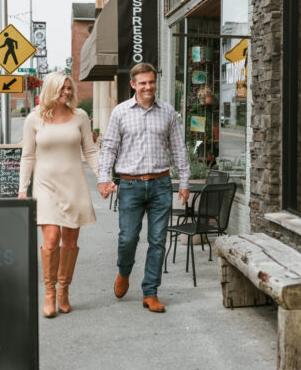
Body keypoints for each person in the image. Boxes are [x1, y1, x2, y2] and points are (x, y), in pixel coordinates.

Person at [97, 62, 190, 313]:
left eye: (151, 82)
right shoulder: (120, 112)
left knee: (158, 240)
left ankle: (150, 292)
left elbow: (178, 148)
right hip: (130, 184)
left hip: (161, 184)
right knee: (128, 238)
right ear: (133, 85)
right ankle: (124, 271)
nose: (148, 87)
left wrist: (183, 181)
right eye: (143, 83)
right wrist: (103, 178)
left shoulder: (168, 112)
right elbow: (109, 148)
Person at [19, 72, 99, 318]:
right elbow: (28, 155)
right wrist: (23, 188)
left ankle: (64, 290)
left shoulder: (80, 116)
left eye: (69, 88)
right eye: (62, 88)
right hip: (45, 185)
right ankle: (50, 293)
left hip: (74, 184)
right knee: (51, 239)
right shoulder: (34, 119)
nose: (67, 92)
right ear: (51, 89)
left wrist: (103, 178)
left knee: (71, 241)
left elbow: (90, 150)